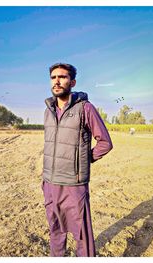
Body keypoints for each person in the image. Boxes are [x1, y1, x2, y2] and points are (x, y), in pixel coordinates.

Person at [42, 63, 113, 257]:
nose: (57, 81)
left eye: (62, 77)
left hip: (74, 185)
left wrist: (83, 160)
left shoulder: (85, 108)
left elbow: (105, 142)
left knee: (82, 236)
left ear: (72, 82)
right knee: (55, 231)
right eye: (53, 77)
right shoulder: (48, 110)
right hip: (50, 182)